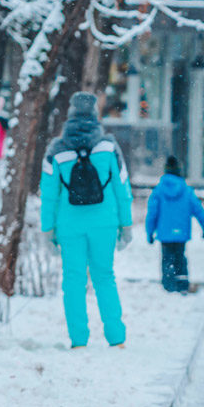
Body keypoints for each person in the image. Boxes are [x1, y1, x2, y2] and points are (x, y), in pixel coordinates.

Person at [40, 92, 135, 348]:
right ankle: (116, 337)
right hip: (105, 223)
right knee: (104, 276)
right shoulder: (108, 147)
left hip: (69, 224)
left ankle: (78, 339)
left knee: (73, 280)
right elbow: (122, 188)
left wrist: (48, 231)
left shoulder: (56, 150)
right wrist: (126, 225)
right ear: (95, 115)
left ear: (70, 114)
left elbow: (49, 195)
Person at [146, 156, 204, 293]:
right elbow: (199, 211)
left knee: (167, 259)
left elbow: (152, 213)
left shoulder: (158, 191)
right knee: (180, 257)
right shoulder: (187, 190)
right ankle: (182, 285)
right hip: (181, 233)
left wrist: (149, 232)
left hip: (165, 234)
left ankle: (168, 285)